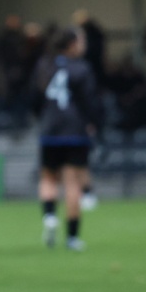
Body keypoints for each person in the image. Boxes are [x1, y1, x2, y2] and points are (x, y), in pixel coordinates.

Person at [35, 28, 101, 251]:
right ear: (71, 45)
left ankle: (50, 216)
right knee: (72, 183)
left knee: (48, 178)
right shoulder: (82, 68)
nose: (84, 45)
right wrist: (93, 123)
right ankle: (72, 238)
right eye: (81, 41)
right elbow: (89, 101)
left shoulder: (45, 65)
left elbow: (35, 97)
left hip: (50, 129)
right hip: (75, 131)